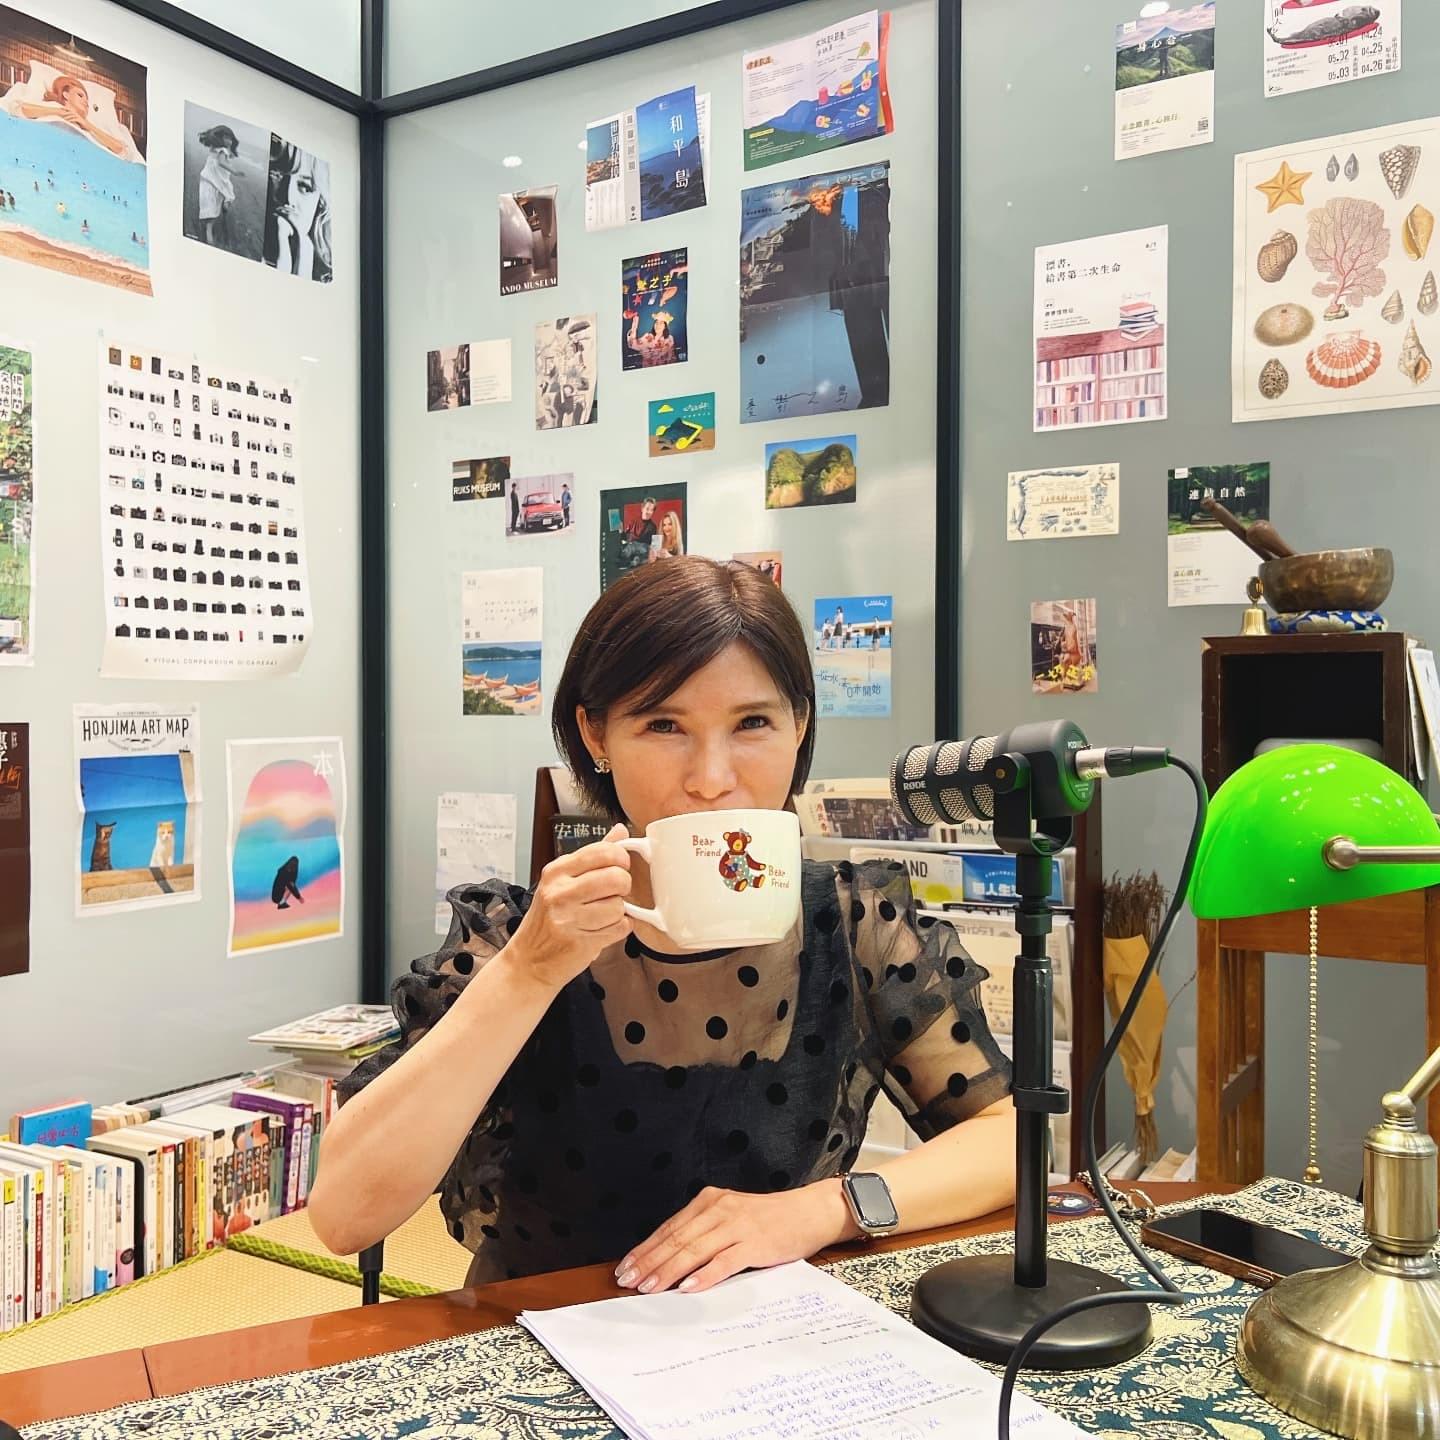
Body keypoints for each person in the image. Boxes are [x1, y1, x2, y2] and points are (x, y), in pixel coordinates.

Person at [310, 557, 1015, 1292]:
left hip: (773, 1329)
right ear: (596, 737)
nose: (711, 777)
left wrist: (824, 1210)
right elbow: (343, 1216)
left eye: (753, 723)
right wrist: (528, 971)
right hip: (539, 1331)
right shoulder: (514, 937)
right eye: (663, 725)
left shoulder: (854, 923)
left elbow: (1009, 1140)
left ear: (799, 725)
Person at [195, 123, 241, 249]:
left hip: (210, 179)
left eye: (230, 138)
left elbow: (221, 161)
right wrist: (235, 171)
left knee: (214, 205)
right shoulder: (222, 150)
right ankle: (210, 238)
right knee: (214, 210)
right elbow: (221, 163)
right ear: (220, 138)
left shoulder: (215, 149)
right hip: (213, 180)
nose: (229, 141)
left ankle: (210, 228)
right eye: (226, 138)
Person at [619, 497, 658, 569]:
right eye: (647, 509)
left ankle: (630, 560)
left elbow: (654, 547)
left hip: (644, 552)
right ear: (642, 508)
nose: (648, 512)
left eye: (651, 510)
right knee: (628, 549)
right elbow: (624, 540)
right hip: (631, 551)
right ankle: (630, 561)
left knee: (637, 548)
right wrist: (621, 532)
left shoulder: (653, 527)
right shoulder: (633, 522)